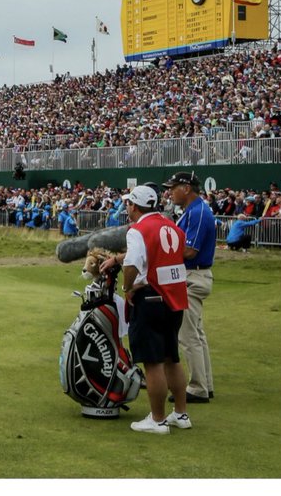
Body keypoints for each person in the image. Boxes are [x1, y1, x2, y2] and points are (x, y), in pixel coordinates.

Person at [100, 184, 190, 434]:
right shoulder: (171, 225)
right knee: (172, 357)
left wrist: (128, 288)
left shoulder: (138, 229)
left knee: (153, 363)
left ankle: (158, 419)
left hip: (151, 298)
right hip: (175, 298)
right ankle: (181, 414)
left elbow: (133, 263)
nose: (126, 206)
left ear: (134, 206)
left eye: (128, 203)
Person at [164, 170, 216, 404]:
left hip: (192, 275)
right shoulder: (195, 210)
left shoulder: (197, 212)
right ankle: (206, 384)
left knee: (188, 336)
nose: (170, 192)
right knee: (197, 334)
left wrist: (162, 252)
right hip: (196, 274)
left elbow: (189, 251)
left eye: (173, 187)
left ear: (186, 188)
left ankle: (197, 387)